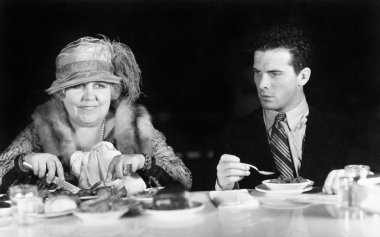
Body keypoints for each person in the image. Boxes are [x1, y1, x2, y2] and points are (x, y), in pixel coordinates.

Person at [0, 35, 192, 192]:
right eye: (77, 86)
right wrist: (24, 162)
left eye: (99, 85)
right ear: (62, 94)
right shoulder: (42, 129)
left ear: (112, 91)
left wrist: (143, 161)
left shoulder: (134, 127)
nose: (89, 96)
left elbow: (184, 179)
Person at [215, 25, 355, 192]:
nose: (262, 84)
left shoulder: (343, 130)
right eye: (257, 72)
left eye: (274, 74)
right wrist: (222, 186)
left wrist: (355, 183)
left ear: (303, 76)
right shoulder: (234, 134)